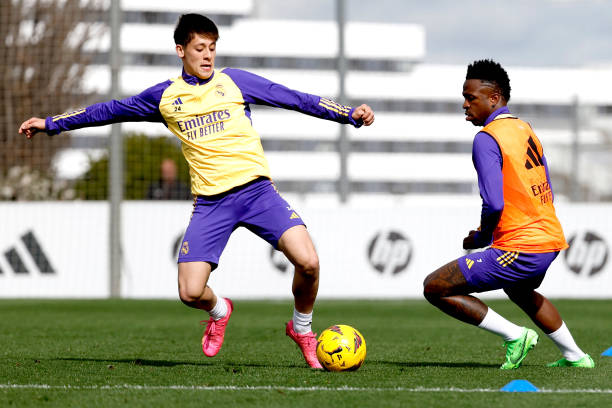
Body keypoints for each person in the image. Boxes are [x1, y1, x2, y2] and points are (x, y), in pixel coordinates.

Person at [19, 13, 375, 369]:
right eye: (200, 48)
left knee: (309, 262)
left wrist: (348, 114)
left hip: (257, 194)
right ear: (181, 50)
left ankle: (302, 329)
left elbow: (294, 98)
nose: (208, 56)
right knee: (190, 292)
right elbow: (108, 111)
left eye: (212, 48)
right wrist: (51, 124)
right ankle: (220, 311)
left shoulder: (234, 81)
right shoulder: (165, 97)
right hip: (212, 204)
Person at [423, 59, 594, 369]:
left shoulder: (487, 138)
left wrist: (482, 236)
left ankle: (516, 336)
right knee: (519, 290)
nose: (465, 104)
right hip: (549, 239)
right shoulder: (523, 128)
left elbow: (494, 203)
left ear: (494, 96)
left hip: (522, 246)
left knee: (435, 287)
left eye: (471, 97)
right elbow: (547, 185)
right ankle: (576, 356)